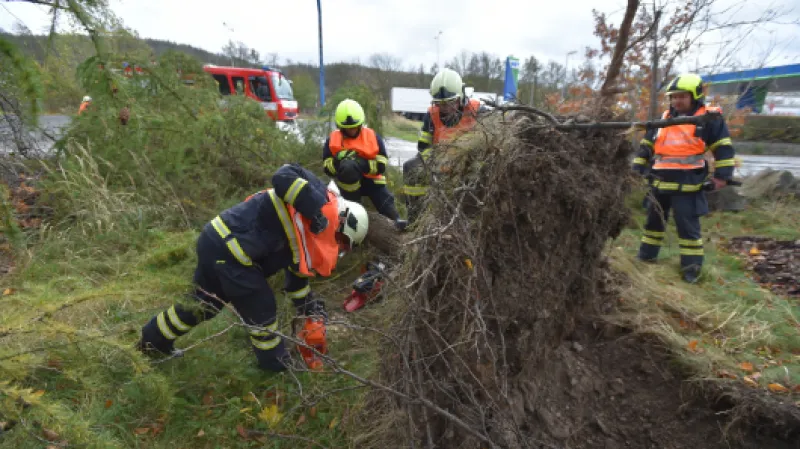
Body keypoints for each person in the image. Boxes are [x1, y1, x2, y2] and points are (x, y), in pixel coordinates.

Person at [137, 163, 369, 371]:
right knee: (262, 307)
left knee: (202, 306)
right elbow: (282, 175)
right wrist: (312, 208)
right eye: (342, 240)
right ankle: (275, 366)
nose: (338, 246)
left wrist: (309, 307)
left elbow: (296, 280)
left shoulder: (314, 237)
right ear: (344, 221)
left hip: (219, 243)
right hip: (232, 250)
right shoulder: (319, 196)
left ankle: (151, 342)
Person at [632, 73, 736, 283]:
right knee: (653, 224)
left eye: (681, 96)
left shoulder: (708, 118)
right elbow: (647, 146)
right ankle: (646, 258)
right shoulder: (664, 119)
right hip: (659, 182)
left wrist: (722, 176)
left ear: (695, 96)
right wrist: (637, 167)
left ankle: (691, 272)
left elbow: (723, 149)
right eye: (673, 97)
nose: (676, 101)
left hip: (688, 185)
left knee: (687, 229)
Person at [402, 68, 482, 223]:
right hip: (439, 162)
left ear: (462, 97)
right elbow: (423, 148)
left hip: (468, 164)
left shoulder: (477, 111)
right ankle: (415, 219)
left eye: (449, 102)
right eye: (440, 104)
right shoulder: (431, 114)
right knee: (411, 167)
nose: (445, 108)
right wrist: (434, 163)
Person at [323, 98, 404, 227]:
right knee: (348, 168)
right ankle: (355, 211)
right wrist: (338, 162)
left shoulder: (372, 137)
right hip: (347, 186)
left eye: (355, 127)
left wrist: (361, 164)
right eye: (348, 128)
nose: (352, 130)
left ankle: (395, 220)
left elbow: (381, 165)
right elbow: (327, 168)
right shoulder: (332, 140)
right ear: (341, 127)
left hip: (372, 181)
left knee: (383, 198)